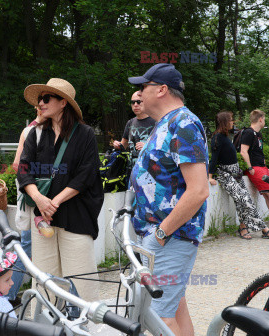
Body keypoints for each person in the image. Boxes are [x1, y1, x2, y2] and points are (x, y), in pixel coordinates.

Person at [128, 63, 209, 336]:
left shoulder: (183, 123)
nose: (138, 95)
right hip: (162, 237)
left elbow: (198, 190)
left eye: (143, 88)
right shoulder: (166, 123)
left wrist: (161, 234)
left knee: (158, 315)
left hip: (170, 237)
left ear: (162, 90)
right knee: (174, 308)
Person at [17, 78, 104, 302]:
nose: (40, 104)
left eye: (46, 99)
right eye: (39, 100)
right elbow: (23, 171)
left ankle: (82, 327)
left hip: (76, 216)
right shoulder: (35, 133)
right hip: (43, 219)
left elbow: (86, 175)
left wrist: (52, 202)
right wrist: (38, 199)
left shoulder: (84, 134)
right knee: (45, 283)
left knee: (81, 283)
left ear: (63, 102)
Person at [209, 111, 269, 239]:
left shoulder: (226, 136)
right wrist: (209, 176)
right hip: (225, 174)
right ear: (224, 122)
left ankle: (243, 228)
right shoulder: (217, 137)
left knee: (242, 200)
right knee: (245, 200)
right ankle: (264, 229)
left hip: (236, 173)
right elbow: (213, 159)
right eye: (230, 120)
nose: (233, 122)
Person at [7, 106, 46, 304]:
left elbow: (16, 165)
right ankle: (9, 295)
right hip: (36, 200)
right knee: (28, 245)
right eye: (41, 102)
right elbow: (17, 165)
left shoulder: (31, 129)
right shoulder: (31, 131)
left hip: (35, 199)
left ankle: (9, 295)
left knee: (27, 246)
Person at [113, 91, 155, 166]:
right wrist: (117, 145)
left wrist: (147, 146)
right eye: (133, 102)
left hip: (151, 169)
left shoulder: (156, 121)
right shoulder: (130, 123)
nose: (135, 105)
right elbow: (123, 145)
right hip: (132, 169)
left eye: (138, 102)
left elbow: (164, 147)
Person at [240, 109, 269, 210]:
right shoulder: (248, 132)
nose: (264, 121)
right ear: (260, 119)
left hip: (262, 167)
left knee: (267, 195)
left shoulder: (258, 134)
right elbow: (243, 151)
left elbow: (258, 152)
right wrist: (250, 167)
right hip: (255, 168)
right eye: (264, 119)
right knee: (267, 193)